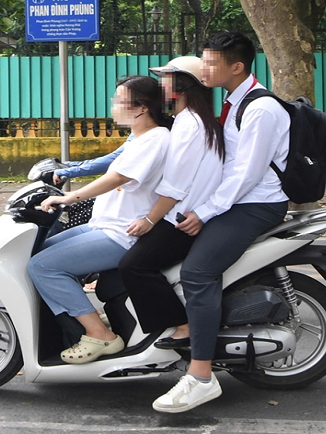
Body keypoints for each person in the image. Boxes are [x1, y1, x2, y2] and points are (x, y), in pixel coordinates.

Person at [151, 31, 290, 413]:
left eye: (211, 63)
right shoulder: (234, 102)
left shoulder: (260, 109)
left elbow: (246, 174)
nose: (204, 68)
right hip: (235, 200)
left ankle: (200, 376)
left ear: (236, 67)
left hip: (256, 205)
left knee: (197, 273)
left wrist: (205, 211)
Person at [28, 75, 172, 364]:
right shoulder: (139, 137)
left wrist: (70, 197)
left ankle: (101, 336)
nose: (113, 105)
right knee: (38, 252)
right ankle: (76, 320)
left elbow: (117, 177)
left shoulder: (155, 138)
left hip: (121, 234)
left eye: (119, 100)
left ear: (141, 107)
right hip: (103, 226)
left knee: (42, 266)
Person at [116, 56, 224, 342]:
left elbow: (175, 187)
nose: (160, 88)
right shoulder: (191, 120)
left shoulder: (189, 125)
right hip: (187, 214)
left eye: (165, 81)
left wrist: (149, 220)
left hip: (182, 220)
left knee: (133, 266)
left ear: (180, 87)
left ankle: (182, 326)